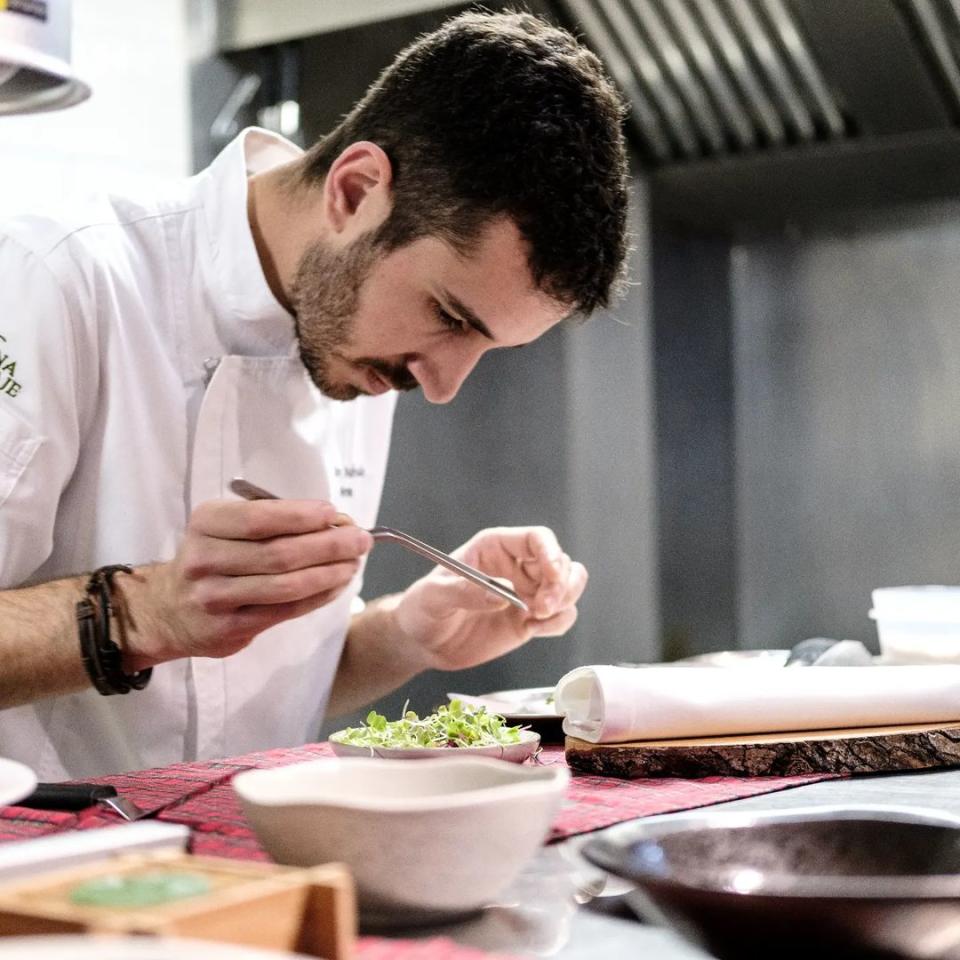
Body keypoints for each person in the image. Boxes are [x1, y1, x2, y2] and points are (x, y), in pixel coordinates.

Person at [0, 10, 629, 778]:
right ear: (356, 190)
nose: (442, 384)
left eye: (484, 348)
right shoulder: (54, 278)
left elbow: (241, 698)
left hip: (247, 863)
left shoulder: (361, 346)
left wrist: (406, 632)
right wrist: (145, 612)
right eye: (449, 316)